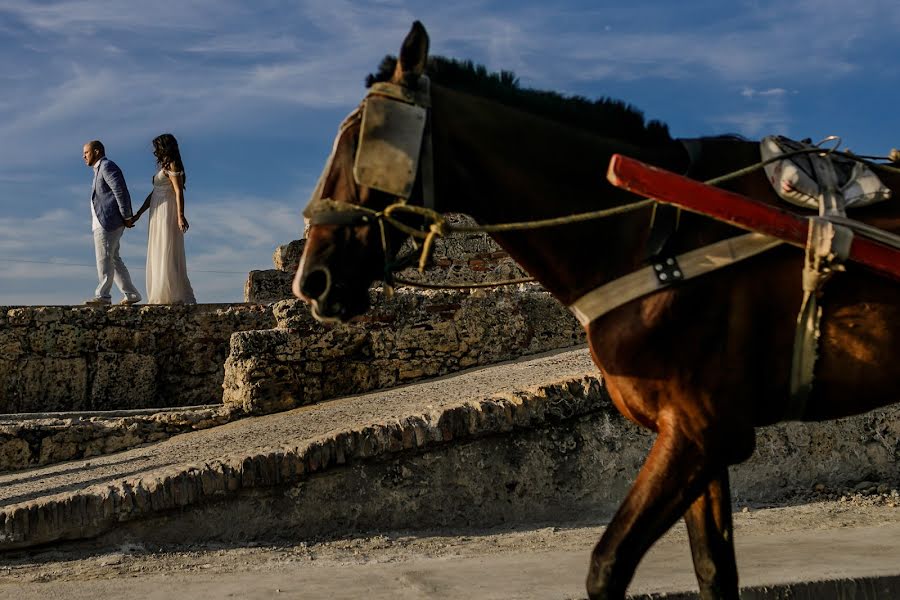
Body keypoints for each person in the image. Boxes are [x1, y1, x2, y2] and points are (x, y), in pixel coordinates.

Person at [130, 133, 196, 304]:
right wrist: (139, 213)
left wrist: (180, 216)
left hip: (167, 210)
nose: (154, 151)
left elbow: (178, 191)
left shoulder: (173, 165)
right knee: (159, 247)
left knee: (166, 247)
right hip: (157, 211)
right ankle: (161, 290)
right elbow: (154, 194)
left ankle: (170, 294)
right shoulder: (164, 165)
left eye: (157, 147)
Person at [82, 140, 142, 306]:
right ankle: (131, 294)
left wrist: (127, 216)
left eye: (86, 152)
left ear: (97, 151)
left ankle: (103, 296)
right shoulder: (99, 170)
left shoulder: (107, 166)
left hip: (108, 221)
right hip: (103, 221)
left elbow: (120, 191)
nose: (83, 156)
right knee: (113, 259)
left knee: (104, 258)